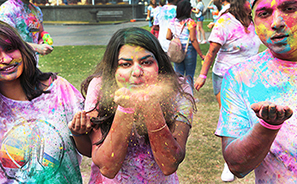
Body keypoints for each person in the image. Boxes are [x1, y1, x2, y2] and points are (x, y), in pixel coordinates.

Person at [68, 27, 195, 183]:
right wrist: (125, 109)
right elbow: (107, 167)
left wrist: (151, 107)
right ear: (113, 70)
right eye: (126, 64)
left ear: (159, 64)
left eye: (146, 62)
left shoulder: (178, 89)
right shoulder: (101, 88)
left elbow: (169, 163)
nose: (137, 72)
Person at [216, 0, 297, 182]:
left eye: (290, 9)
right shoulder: (241, 77)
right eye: (264, 13)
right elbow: (237, 166)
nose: (276, 22)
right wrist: (268, 126)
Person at [0, 20, 83, 183]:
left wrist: (80, 133)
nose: (6, 59)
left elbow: (89, 149)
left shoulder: (59, 90)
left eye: (10, 48)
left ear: (22, 49)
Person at [194, 0, 261, 181]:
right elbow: (211, 52)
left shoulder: (255, 20)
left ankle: (250, 157)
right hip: (225, 77)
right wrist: (202, 75)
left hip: (250, 77)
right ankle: (229, 162)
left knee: (253, 119)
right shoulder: (225, 22)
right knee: (232, 120)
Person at [166, 0, 204, 88]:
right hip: (189, 50)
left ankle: (180, 95)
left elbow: (168, 37)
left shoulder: (172, 21)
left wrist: (176, 36)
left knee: (179, 75)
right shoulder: (190, 22)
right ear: (188, 10)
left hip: (177, 49)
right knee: (189, 75)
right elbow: (193, 39)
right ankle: (189, 95)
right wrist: (201, 54)